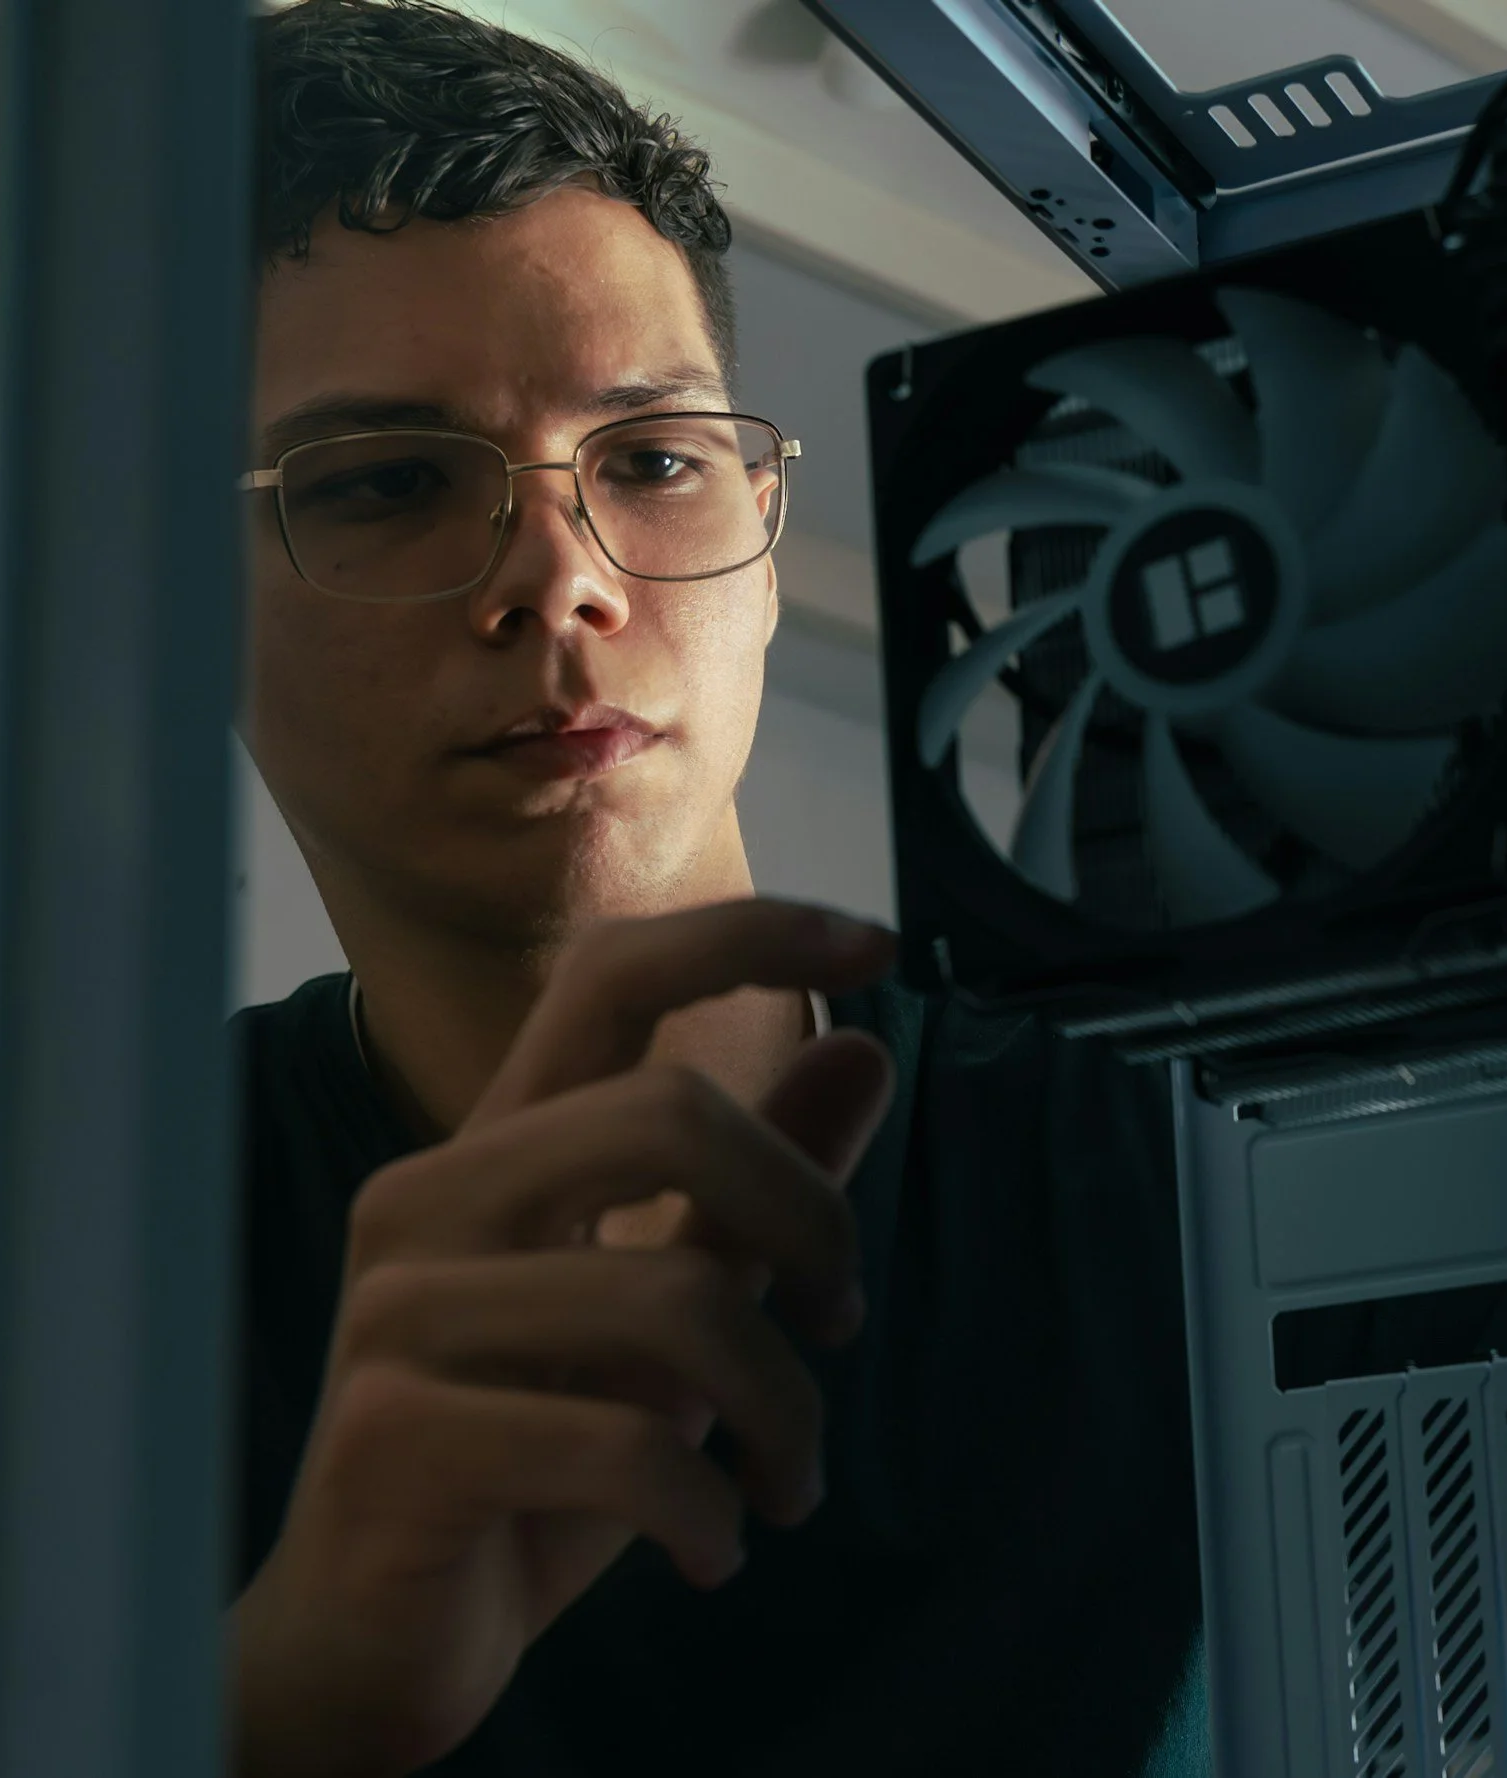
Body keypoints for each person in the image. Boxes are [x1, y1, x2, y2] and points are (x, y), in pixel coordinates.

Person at [230, 5, 1201, 1773]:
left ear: (765, 531)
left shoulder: (1167, 1132)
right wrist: (286, 1699)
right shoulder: (80, 1253)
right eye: (385, 481)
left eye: (653, 461)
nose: (561, 577)